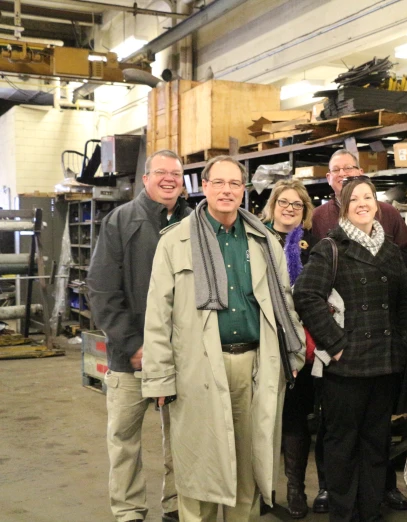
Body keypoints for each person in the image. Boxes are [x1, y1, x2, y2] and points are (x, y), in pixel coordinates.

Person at [141, 156, 305, 521]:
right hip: (197, 369)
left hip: (254, 367)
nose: (227, 190)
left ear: (243, 191)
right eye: (219, 183)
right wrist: (161, 377)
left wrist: (290, 358)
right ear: (204, 187)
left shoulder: (264, 243)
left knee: (249, 465)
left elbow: (284, 306)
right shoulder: (175, 242)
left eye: (235, 184)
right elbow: (157, 316)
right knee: (199, 465)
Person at [294, 177, 407, 522]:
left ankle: (371, 510)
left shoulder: (390, 250)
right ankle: (344, 513)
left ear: (377, 205)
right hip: (345, 368)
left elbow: (406, 300)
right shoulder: (332, 246)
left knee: (377, 445)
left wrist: (401, 343)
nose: (363, 203)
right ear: (344, 206)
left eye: (368, 197)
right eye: (355, 199)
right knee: (343, 445)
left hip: (384, 365)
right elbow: (306, 295)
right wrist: (335, 344)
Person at [88, 149, 190, 522]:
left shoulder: (193, 222)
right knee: (124, 440)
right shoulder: (121, 220)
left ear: (183, 181)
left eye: (175, 174)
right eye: (160, 173)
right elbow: (100, 289)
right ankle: (130, 510)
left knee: (180, 437)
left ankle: (177, 505)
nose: (168, 179)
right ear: (145, 179)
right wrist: (133, 344)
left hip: (179, 356)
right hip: (129, 358)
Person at [261, 179, 317, 519]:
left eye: (297, 204)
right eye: (284, 202)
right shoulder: (255, 239)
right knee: (263, 418)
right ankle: (262, 489)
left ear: (305, 210)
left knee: (296, 418)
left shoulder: (313, 246)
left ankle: (296, 489)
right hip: (264, 339)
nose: (290, 208)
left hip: (301, 344)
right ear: (273, 205)